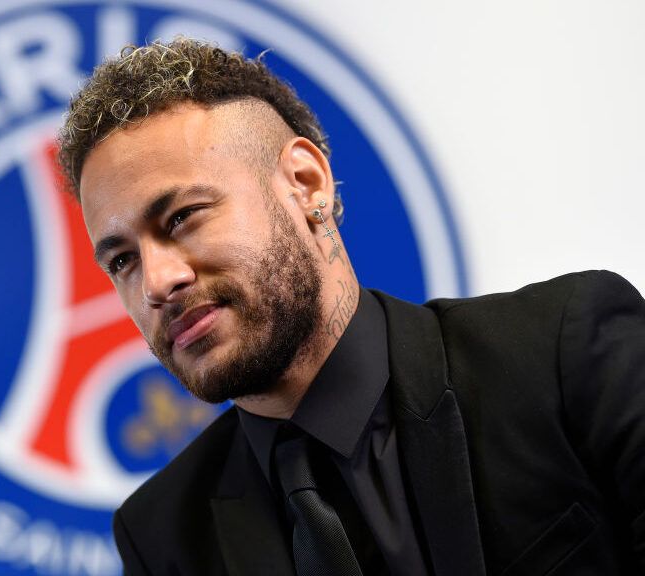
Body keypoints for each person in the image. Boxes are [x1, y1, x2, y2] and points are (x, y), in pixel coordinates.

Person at [56, 38, 645, 575]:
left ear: (305, 184)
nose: (157, 282)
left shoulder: (564, 356)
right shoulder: (161, 537)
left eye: (182, 217)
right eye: (122, 260)